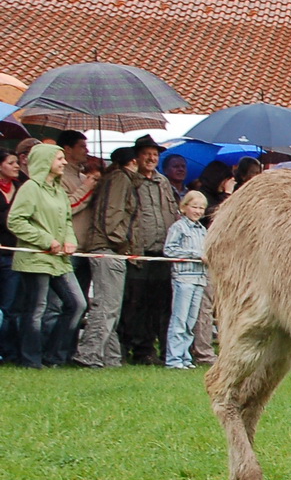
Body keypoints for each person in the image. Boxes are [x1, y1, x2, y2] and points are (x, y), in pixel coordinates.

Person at [7, 143, 87, 367]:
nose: (64, 162)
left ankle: (54, 356)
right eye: (59, 158)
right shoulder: (30, 188)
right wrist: (45, 240)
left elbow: (67, 220)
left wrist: (70, 240)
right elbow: (15, 221)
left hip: (60, 260)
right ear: (45, 161)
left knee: (77, 305)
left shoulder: (59, 190)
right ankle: (31, 360)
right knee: (36, 309)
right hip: (35, 259)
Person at [71, 146, 139, 368]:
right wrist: (122, 243)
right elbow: (112, 216)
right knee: (107, 305)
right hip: (108, 248)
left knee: (111, 306)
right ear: (133, 162)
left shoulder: (116, 178)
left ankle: (110, 357)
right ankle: (88, 353)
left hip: (105, 247)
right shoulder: (121, 179)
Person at [120, 137, 178, 365]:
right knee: (135, 304)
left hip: (162, 253)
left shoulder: (163, 182)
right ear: (137, 157)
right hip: (138, 252)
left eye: (155, 154)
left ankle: (151, 350)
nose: (152, 158)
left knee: (159, 305)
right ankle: (130, 348)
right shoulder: (130, 181)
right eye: (147, 154)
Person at [163, 190, 209, 368]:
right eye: (194, 207)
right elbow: (169, 249)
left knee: (190, 321)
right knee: (179, 320)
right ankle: (173, 359)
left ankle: (185, 357)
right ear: (184, 207)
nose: (198, 211)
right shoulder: (178, 227)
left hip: (199, 278)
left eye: (201, 208)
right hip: (184, 278)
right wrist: (195, 254)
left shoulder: (202, 230)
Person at [0, 149, 21, 360]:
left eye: (17, 162)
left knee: (10, 305)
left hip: (13, 253)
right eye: (11, 162)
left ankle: (7, 351)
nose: (16, 166)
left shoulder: (21, 188)